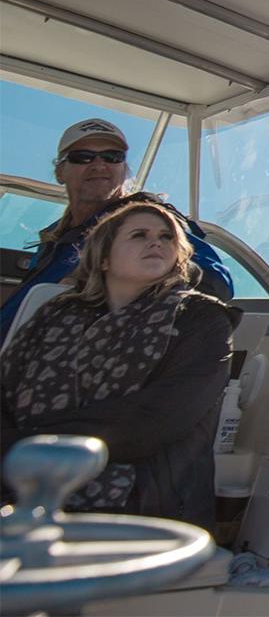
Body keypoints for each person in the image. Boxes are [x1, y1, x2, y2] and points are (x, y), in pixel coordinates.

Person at [0, 200, 237, 530]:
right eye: (139, 235)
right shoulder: (54, 314)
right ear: (104, 257)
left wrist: (20, 447)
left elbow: (155, 419)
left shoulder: (203, 320)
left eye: (167, 237)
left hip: (143, 513)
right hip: (20, 497)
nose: (156, 242)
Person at [0, 118, 232, 344]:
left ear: (124, 170)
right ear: (60, 172)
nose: (99, 165)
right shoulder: (54, 238)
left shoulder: (150, 221)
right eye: (83, 157)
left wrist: (104, 281)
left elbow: (216, 283)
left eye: (112, 157)